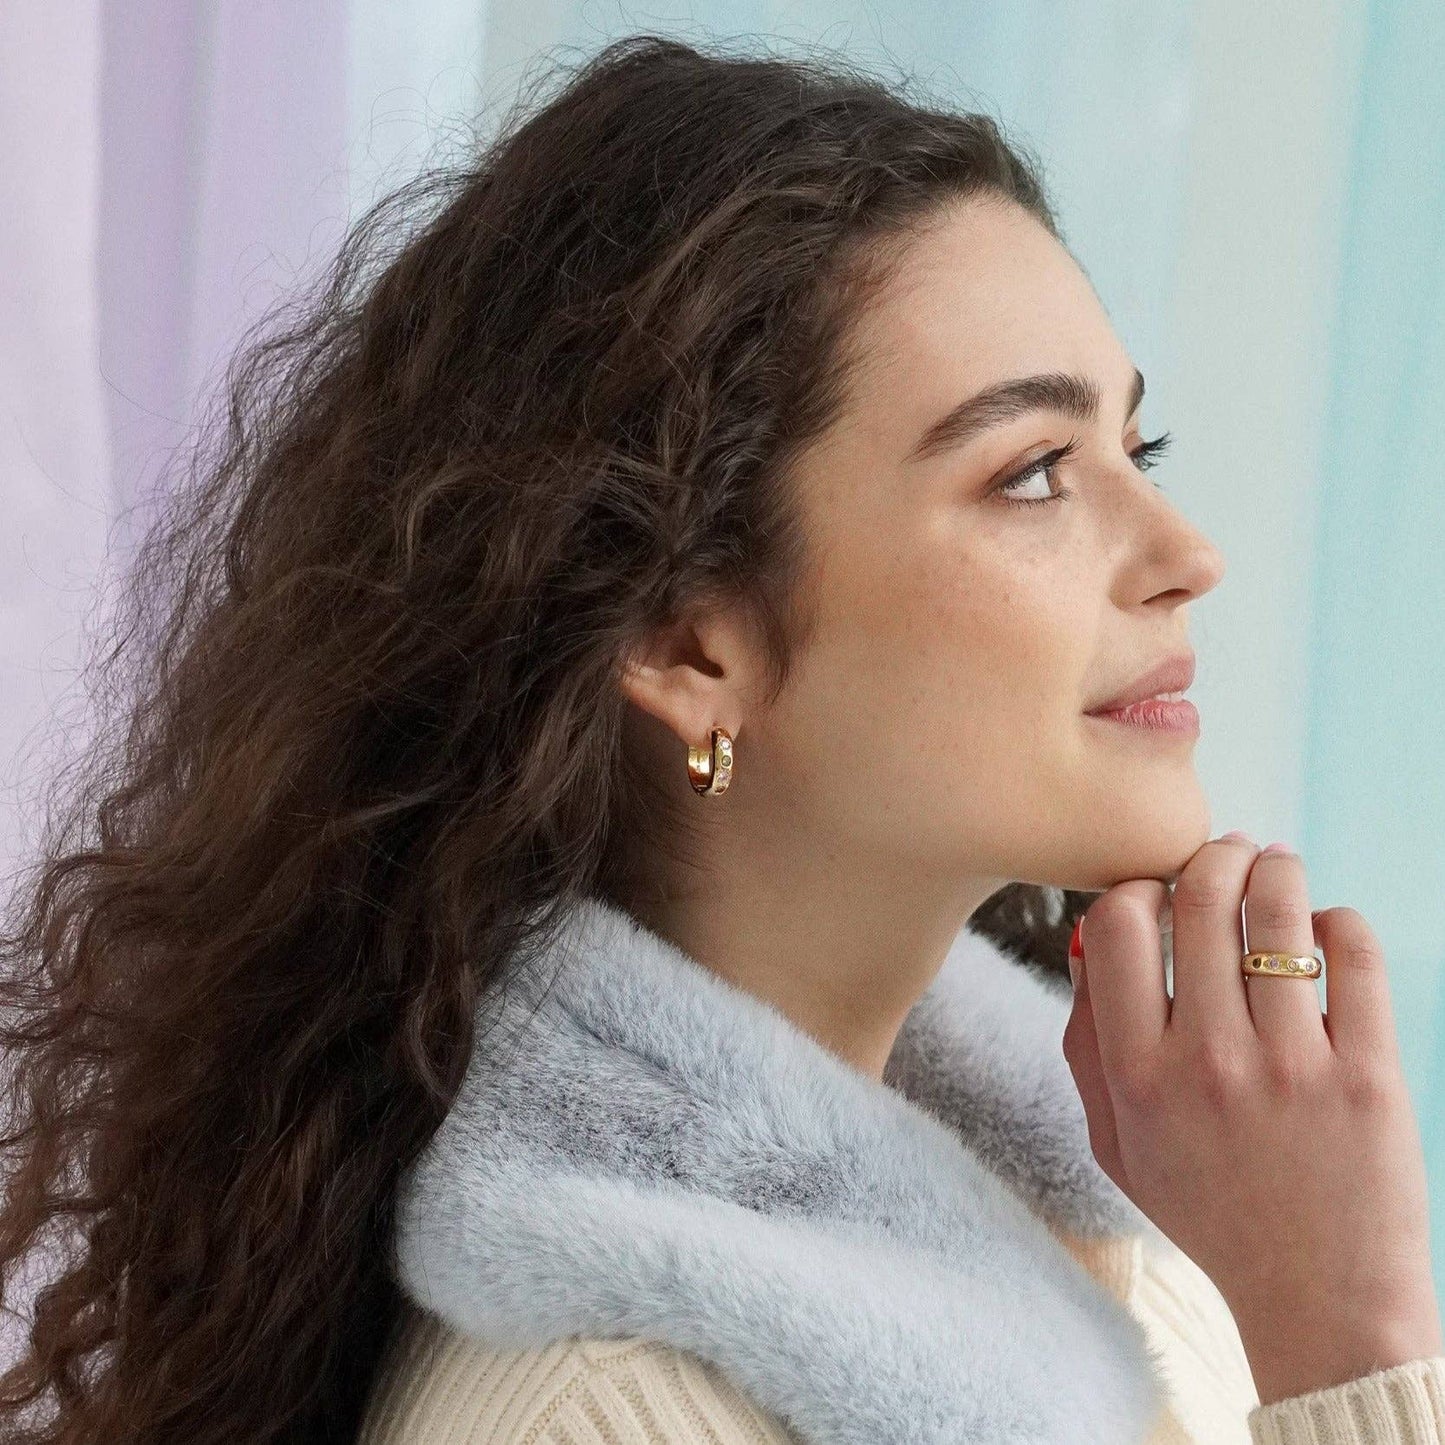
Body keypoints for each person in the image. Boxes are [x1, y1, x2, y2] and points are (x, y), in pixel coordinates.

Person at [1, 33, 1440, 1445]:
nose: (1185, 552)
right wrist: (1350, 1345)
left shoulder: (1128, 1242)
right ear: (689, 643)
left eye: (1141, 450)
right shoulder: (609, 1415)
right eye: (1032, 473)